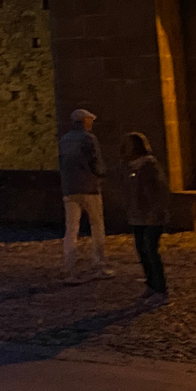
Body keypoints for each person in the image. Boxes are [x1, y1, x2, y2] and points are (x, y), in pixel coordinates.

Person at [58, 108, 113, 280]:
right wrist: (102, 174)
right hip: (89, 187)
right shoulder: (88, 138)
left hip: (70, 188)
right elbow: (96, 162)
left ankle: (70, 267)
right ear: (84, 122)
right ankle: (99, 263)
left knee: (71, 228)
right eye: (90, 121)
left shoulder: (64, 140)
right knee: (97, 225)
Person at [122, 131, 170, 303]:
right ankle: (151, 285)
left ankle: (160, 288)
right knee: (142, 250)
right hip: (138, 216)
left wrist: (155, 211)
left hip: (151, 216)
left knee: (151, 250)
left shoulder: (149, 165)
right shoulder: (131, 167)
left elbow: (157, 191)